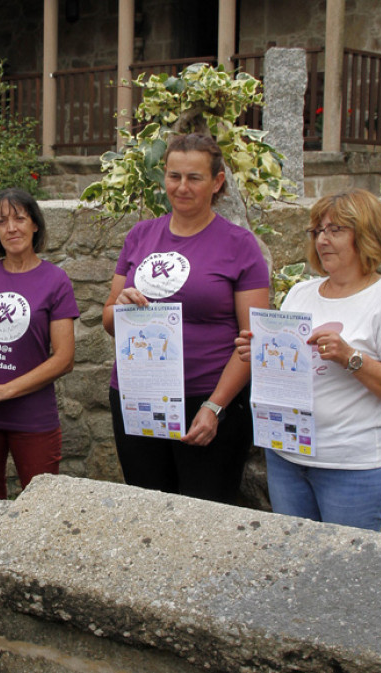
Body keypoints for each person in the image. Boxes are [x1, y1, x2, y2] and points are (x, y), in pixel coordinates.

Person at [236, 189, 381, 530]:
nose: (323, 239)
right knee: (297, 566)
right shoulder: (301, 293)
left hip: (353, 468)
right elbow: (293, 365)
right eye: (318, 231)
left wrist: (351, 357)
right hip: (287, 457)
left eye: (336, 230)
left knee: (346, 575)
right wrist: (263, 353)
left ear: (366, 235)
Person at [102, 133, 270, 504]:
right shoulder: (140, 236)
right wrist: (122, 307)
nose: (181, 187)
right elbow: (109, 317)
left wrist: (215, 407)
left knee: (204, 515)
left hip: (207, 401)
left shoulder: (239, 245)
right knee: (148, 508)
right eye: (174, 176)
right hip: (139, 394)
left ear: (217, 182)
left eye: (194, 177)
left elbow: (253, 339)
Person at [0, 188, 78, 499]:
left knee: (40, 509)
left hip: (32, 416)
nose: (11, 228)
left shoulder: (55, 280)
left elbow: (64, 359)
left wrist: (5, 391)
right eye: (1, 221)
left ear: (34, 224)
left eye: (19, 219)